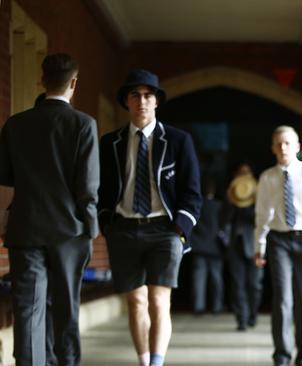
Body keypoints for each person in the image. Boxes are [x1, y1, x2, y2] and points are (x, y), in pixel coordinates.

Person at [97, 69, 201, 366]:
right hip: (124, 229)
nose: (142, 101)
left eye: (148, 95)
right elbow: (102, 188)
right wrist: (107, 223)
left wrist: (180, 229)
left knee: (158, 300)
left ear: (156, 102)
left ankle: (156, 363)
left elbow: (192, 191)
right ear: (126, 102)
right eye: (135, 96)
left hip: (165, 230)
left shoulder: (179, 141)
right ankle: (144, 362)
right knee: (136, 301)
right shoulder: (110, 143)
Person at [0, 53, 99, 366]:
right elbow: (88, 186)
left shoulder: (15, 125)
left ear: (42, 81)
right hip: (69, 231)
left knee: (29, 311)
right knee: (66, 309)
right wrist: (91, 227)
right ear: (73, 83)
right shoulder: (83, 124)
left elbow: (4, 178)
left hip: (26, 228)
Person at [255, 126, 302, 366]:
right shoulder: (267, 177)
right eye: (278, 144)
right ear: (272, 148)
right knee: (282, 300)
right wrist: (259, 246)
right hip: (278, 240)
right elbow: (262, 215)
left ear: (298, 146)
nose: (283, 148)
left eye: (288, 143)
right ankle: (281, 355)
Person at [222, 162, 263, 331]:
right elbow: (222, 221)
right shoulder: (230, 196)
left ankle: (253, 314)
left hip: (254, 246)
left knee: (254, 284)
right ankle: (241, 319)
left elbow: (260, 219)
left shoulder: (259, 198)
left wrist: (251, 200)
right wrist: (232, 202)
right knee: (237, 285)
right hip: (235, 246)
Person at [189, 184, 225, 316]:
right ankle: (217, 306)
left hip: (199, 246)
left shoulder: (196, 206)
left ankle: (199, 307)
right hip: (215, 247)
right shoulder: (218, 206)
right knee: (216, 278)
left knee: (199, 279)